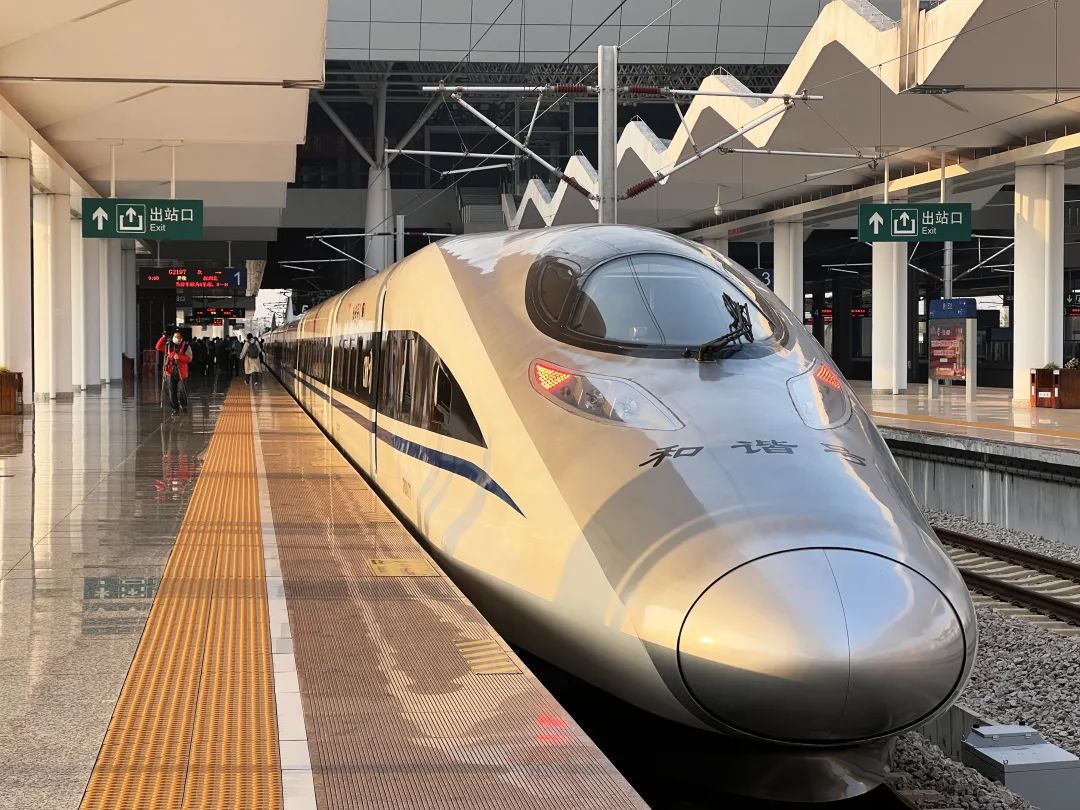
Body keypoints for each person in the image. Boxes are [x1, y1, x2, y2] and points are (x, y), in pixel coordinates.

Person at [155, 330, 192, 413]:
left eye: (179, 337)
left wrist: (179, 357)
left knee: (182, 390)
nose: (177, 338)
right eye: (175, 336)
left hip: (182, 372)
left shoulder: (186, 346)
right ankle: (175, 409)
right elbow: (158, 346)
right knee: (172, 391)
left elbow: (189, 359)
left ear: (182, 338)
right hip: (170, 371)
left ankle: (184, 405)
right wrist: (163, 337)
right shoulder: (168, 346)